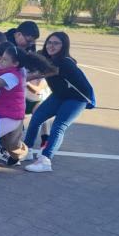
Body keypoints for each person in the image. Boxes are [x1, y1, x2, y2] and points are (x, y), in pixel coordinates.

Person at [0, 43, 52, 185]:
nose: (0, 61)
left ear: (15, 63)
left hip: (11, 116)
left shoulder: (13, 76)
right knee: (5, 142)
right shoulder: (4, 68)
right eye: (0, 57)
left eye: (5, 59)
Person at [23, 31, 95, 173]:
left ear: (64, 45)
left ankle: (45, 160)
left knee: (59, 126)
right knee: (37, 117)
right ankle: (26, 150)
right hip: (59, 95)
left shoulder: (64, 62)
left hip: (77, 98)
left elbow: (40, 74)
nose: (51, 46)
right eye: (49, 42)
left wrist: (17, 78)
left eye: (56, 43)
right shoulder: (47, 57)